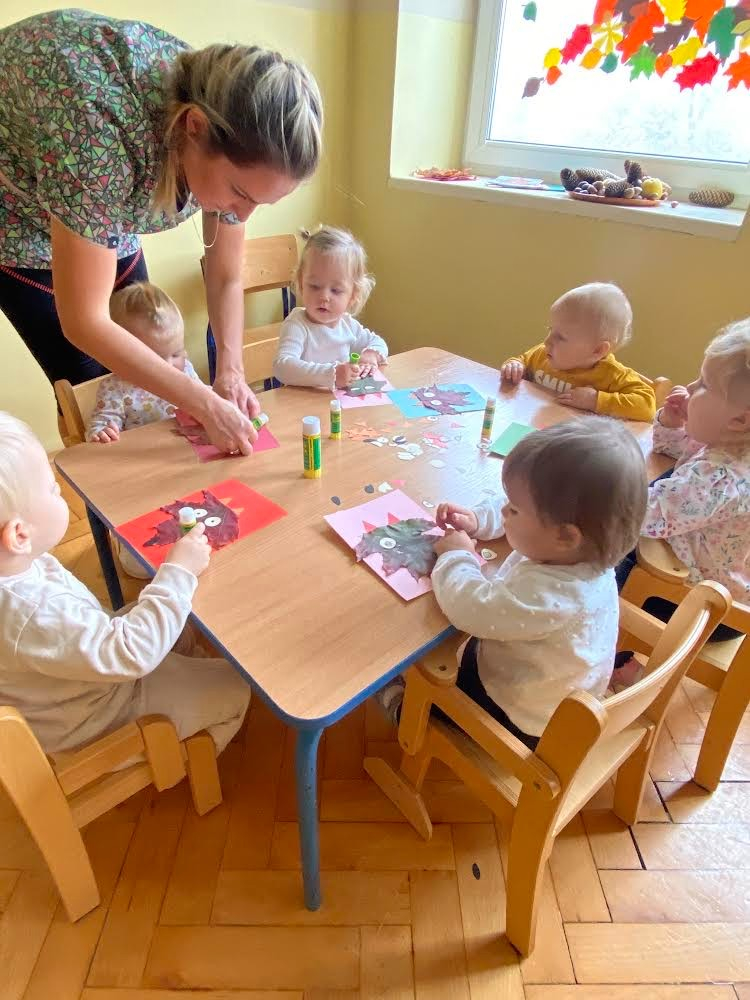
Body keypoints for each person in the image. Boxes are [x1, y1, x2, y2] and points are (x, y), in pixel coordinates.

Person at [0, 8, 322, 455]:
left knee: (151, 351)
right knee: (93, 391)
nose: (241, 215)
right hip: (15, 222)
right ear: (194, 127)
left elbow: (226, 275)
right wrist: (204, 403)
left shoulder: (225, 113)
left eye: (259, 203)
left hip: (92, 188)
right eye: (239, 193)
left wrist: (230, 372)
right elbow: (85, 321)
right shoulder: (97, 128)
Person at [378, 418, 647, 747]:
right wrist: (478, 520)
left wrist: (456, 555)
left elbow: (469, 609)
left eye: (514, 510)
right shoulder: (583, 553)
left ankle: (405, 713)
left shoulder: (549, 595)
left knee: (422, 675)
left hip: (517, 715)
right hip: (551, 685)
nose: (505, 511)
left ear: (565, 536)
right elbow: (524, 512)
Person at [0, 411, 250, 755]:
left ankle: (184, 677)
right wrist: (178, 570)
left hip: (77, 685)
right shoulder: (34, 612)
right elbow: (130, 652)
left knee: (184, 626)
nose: (59, 493)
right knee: (237, 685)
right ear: (19, 535)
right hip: (100, 719)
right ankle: (184, 760)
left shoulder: (17, 566)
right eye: (53, 489)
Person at [616, 318, 750, 645]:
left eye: (703, 384)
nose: (689, 388)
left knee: (597, 571)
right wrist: (672, 424)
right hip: (693, 576)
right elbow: (674, 453)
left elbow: (641, 514)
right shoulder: (726, 446)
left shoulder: (720, 478)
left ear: (739, 420)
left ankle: (618, 658)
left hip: (701, 607)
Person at [500, 282, 655, 422]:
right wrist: (514, 365)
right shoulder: (543, 354)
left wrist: (595, 400)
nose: (547, 341)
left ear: (597, 350)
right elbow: (522, 360)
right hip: (533, 427)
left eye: (560, 337)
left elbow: (647, 406)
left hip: (574, 440)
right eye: (550, 330)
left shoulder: (612, 375)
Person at [273, 225, 388, 389]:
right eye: (314, 286)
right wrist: (331, 375)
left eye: (336, 290)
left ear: (353, 295)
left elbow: (377, 342)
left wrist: (370, 355)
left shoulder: (347, 324)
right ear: (301, 284)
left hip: (337, 400)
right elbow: (282, 367)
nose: (324, 297)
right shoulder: (297, 324)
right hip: (302, 402)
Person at [87, 282, 200, 443]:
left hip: (186, 449)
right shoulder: (115, 388)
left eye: (176, 354)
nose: (168, 366)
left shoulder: (186, 369)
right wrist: (103, 433)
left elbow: (203, 399)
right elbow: (100, 426)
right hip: (143, 453)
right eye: (155, 360)